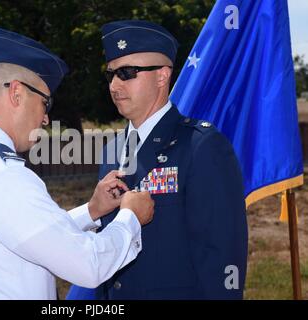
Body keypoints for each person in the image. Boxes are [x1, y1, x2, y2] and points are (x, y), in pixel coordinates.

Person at [0, 26, 154, 300]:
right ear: (17, 94)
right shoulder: (3, 177)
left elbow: (27, 234)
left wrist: (91, 211)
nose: (45, 118)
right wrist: (131, 218)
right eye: (45, 103)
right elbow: (89, 265)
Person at [69, 20, 248, 300]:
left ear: (162, 76)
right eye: (111, 75)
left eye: (127, 73)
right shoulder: (112, 150)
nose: (115, 85)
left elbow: (222, 251)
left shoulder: (201, 145)